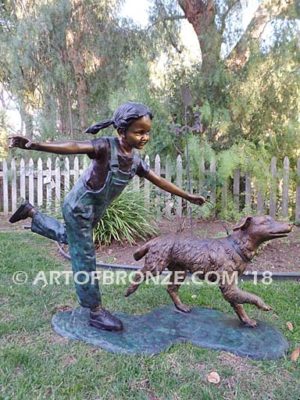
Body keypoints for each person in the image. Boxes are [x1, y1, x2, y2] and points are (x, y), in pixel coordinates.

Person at [9, 102, 205, 332]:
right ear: (121, 131)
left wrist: (188, 196)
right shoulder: (104, 147)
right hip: (78, 206)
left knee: (69, 237)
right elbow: (73, 146)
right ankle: (94, 311)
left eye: (147, 132)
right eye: (139, 132)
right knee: (85, 256)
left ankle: (31, 213)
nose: (145, 137)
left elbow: (160, 181)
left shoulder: (135, 162)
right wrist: (36, 145)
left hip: (94, 210)